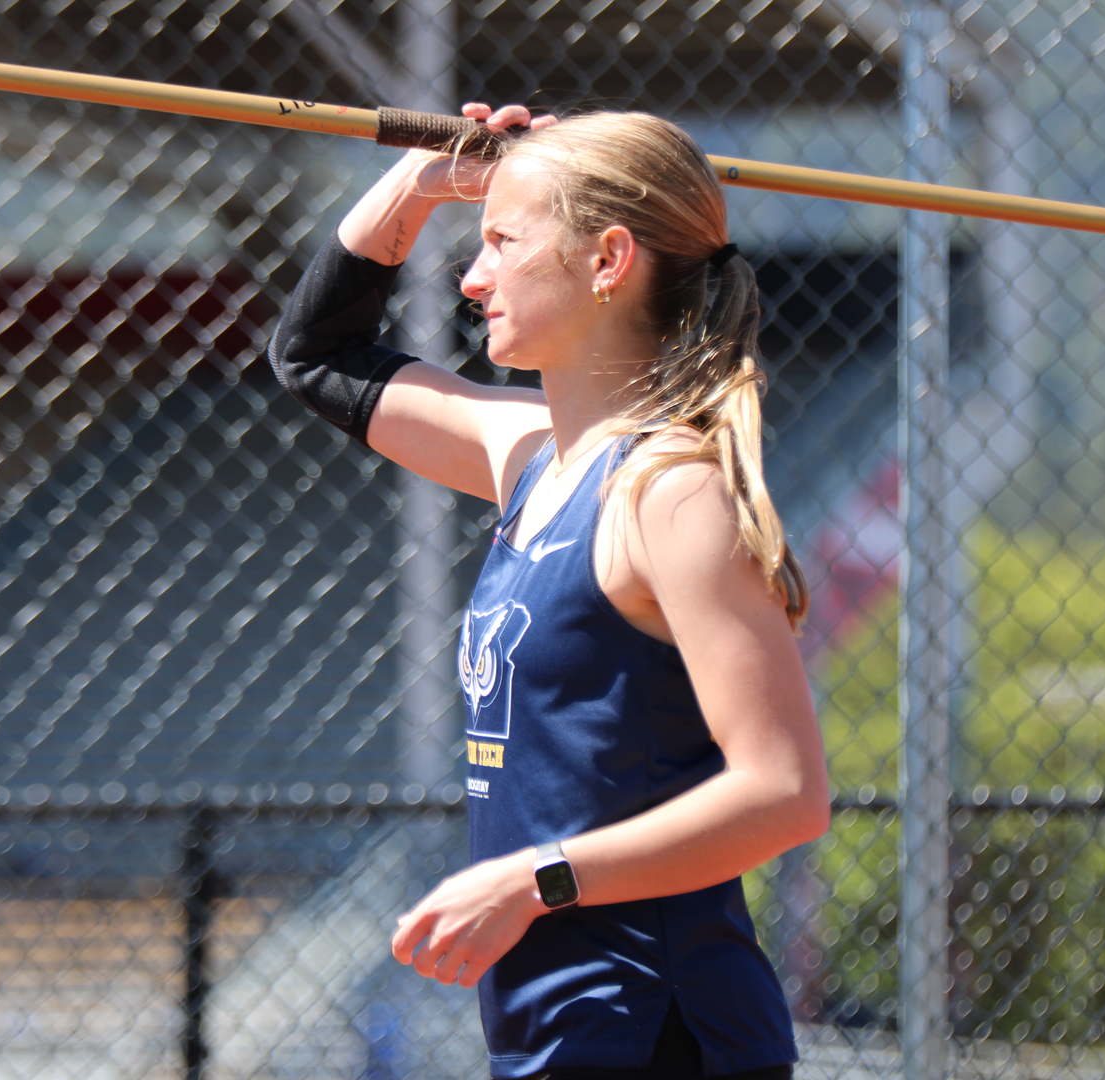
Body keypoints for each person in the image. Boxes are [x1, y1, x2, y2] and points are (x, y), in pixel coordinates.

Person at [268, 103, 831, 1080]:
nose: (472, 275)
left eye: (501, 241)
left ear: (608, 261)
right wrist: (428, 179)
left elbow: (785, 794)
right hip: (554, 1034)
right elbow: (313, 354)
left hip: (660, 1034)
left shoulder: (672, 490)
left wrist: (539, 879)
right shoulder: (530, 454)